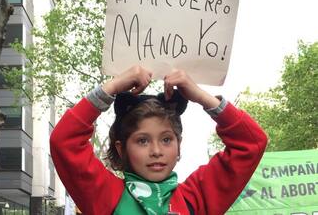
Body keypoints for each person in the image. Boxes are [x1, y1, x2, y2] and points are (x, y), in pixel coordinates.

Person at [50, 65, 267, 215]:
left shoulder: (195, 199)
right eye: (142, 141)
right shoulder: (106, 196)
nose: (156, 151)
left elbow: (251, 144)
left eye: (166, 140)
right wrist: (112, 87)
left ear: (179, 146)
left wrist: (201, 96)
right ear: (121, 148)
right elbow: (64, 141)